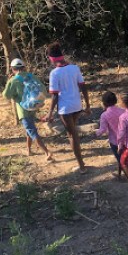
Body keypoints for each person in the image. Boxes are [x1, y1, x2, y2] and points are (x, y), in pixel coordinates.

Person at [45, 42, 91, 173]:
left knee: (72, 135)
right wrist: (87, 105)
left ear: (51, 58)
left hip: (65, 109)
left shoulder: (54, 73)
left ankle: (81, 166)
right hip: (77, 105)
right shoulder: (75, 68)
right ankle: (80, 163)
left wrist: (49, 114)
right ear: (62, 55)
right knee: (72, 133)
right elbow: (83, 87)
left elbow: (54, 96)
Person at [2, 58, 53, 161]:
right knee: (29, 129)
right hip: (33, 107)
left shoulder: (13, 80)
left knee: (32, 131)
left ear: (12, 69)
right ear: (24, 67)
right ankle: (29, 150)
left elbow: (6, 95)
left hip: (23, 110)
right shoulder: (31, 76)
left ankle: (47, 152)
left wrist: (14, 94)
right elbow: (42, 89)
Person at [95, 91, 124, 179]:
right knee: (122, 159)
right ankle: (120, 174)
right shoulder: (122, 110)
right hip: (126, 140)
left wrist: (96, 133)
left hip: (115, 141)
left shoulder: (104, 115)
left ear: (104, 103)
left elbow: (102, 130)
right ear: (115, 101)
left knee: (120, 159)